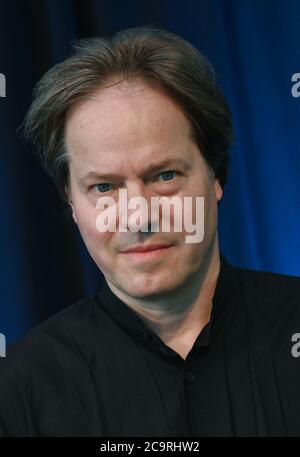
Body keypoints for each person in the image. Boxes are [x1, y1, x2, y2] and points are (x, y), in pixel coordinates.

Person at [0, 25, 300, 437]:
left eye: (164, 175)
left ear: (216, 176)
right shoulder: (19, 389)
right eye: (103, 187)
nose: (138, 216)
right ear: (71, 202)